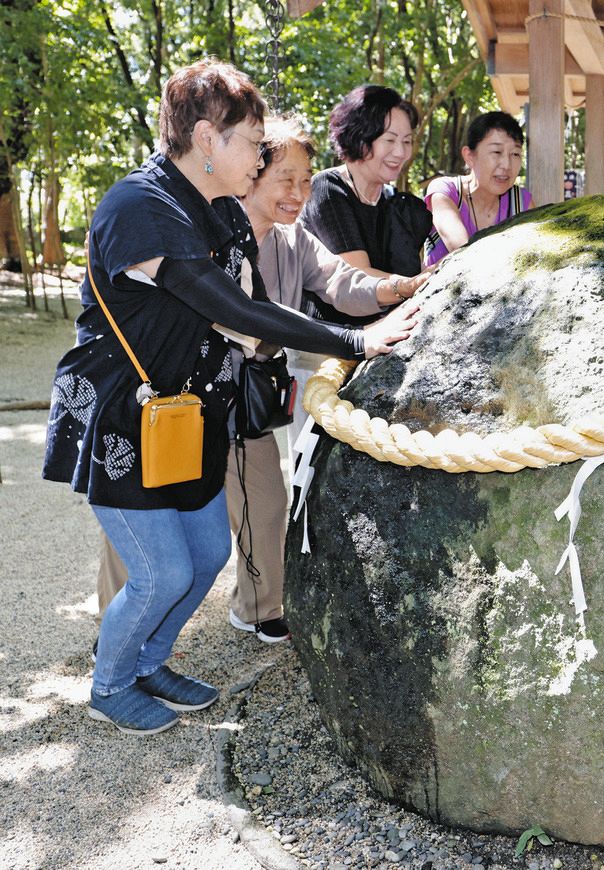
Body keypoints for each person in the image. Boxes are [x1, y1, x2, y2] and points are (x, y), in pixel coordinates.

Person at [44, 59, 417, 736]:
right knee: (161, 570)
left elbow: (270, 299)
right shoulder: (140, 207)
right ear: (209, 137)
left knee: (209, 553)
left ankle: (150, 661)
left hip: (193, 413)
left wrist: (380, 303)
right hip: (127, 416)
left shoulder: (217, 209)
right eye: (251, 141)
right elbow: (230, 307)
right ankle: (110, 681)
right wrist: (355, 343)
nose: (260, 155)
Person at [93, 116, 419, 646]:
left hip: (245, 398)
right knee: (145, 516)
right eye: (284, 178)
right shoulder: (200, 229)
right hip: (170, 396)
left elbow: (342, 282)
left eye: (306, 179)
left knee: (264, 505)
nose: (298, 192)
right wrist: (354, 341)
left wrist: (402, 289)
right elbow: (241, 313)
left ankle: (262, 605)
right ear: (250, 174)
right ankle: (116, 625)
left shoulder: (295, 241)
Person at [298, 84, 431, 324]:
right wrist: (414, 285)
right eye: (389, 140)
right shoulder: (327, 189)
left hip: (386, 332)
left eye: (407, 141)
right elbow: (358, 279)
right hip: (326, 342)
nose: (400, 152)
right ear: (359, 138)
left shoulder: (395, 201)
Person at [422, 111, 533, 267]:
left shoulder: (521, 202)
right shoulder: (446, 192)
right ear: (469, 156)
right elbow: (462, 251)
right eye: (496, 152)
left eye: (515, 154)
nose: (507, 165)